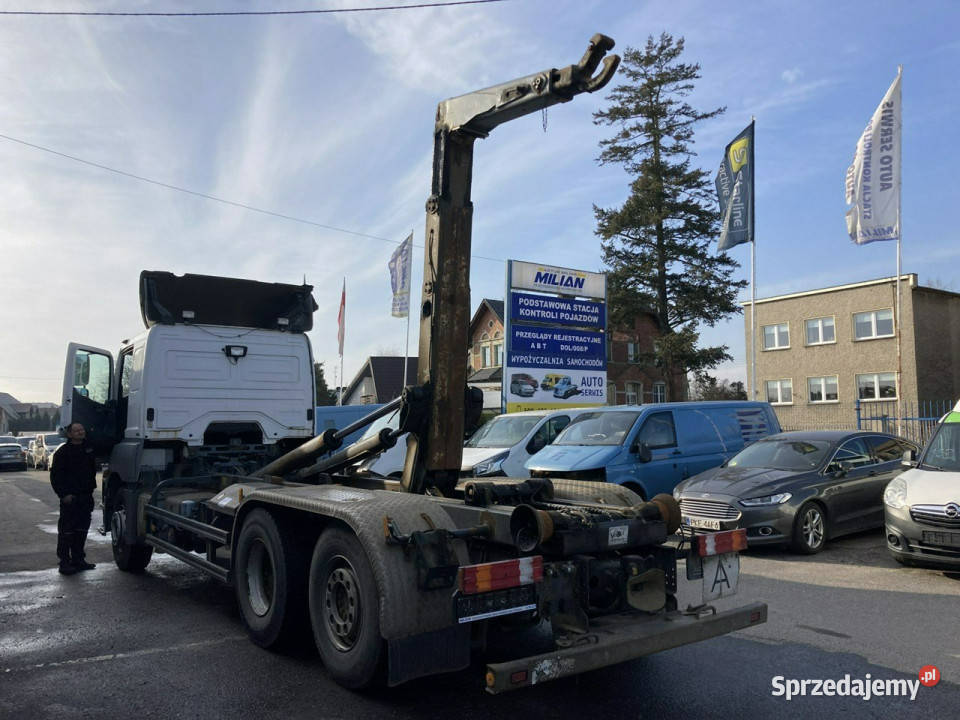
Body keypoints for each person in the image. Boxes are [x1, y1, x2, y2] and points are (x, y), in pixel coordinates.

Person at [50, 422, 97, 575]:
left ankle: (78, 559)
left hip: (85, 497)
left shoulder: (88, 449)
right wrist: (63, 495)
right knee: (67, 531)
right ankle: (64, 562)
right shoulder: (63, 452)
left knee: (81, 530)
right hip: (70, 498)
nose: (80, 432)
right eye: (76, 431)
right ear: (69, 434)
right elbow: (56, 476)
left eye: (82, 430)